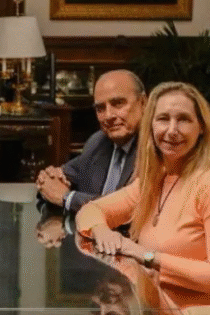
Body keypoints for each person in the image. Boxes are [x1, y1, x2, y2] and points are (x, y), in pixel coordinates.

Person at [76, 82, 210, 308]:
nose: (172, 130)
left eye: (183, 119)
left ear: (201, 128)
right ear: (151, 126)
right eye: (163, 119)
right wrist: (101, 230)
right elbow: (90, 210)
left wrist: (145, 255)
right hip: (151, 311)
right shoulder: (156, 180)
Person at [37, 69, 146, 214]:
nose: (108, 116)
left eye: (118, 103)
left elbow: (131, 209)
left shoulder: (156, 148)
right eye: (100, 108)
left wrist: (67, 198)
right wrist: (48, 179)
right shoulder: (98, 141)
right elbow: (57, 180)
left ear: (143, 103)